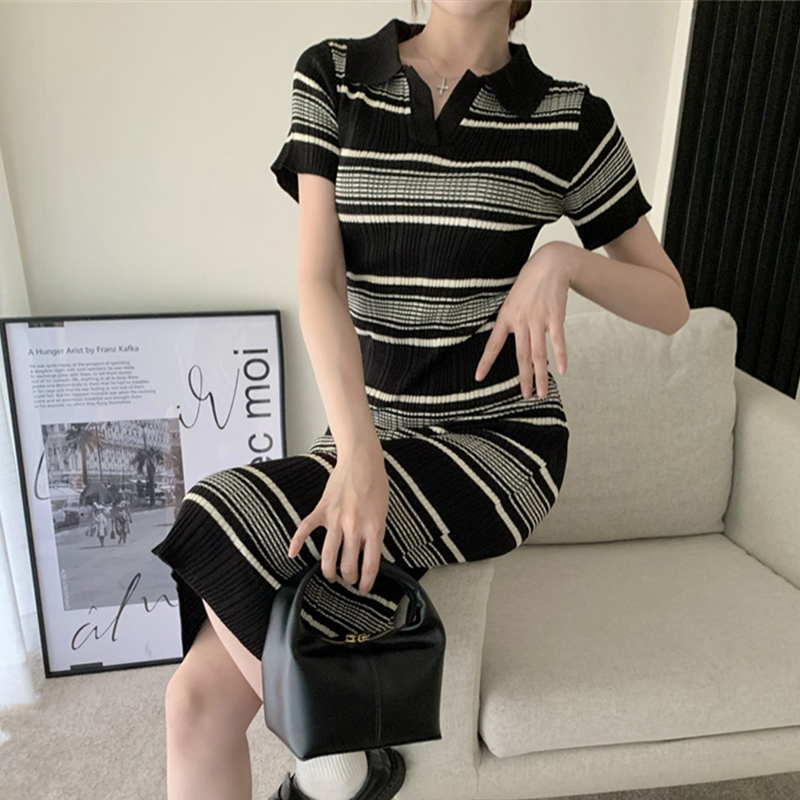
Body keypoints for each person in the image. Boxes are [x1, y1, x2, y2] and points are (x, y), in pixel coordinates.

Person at [151, 2, 688, 799]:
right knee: (192, 703)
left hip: (497, 443)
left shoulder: (570, 118)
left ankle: (341, 753)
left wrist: (564, 261)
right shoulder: (335, 74)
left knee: (212, 509)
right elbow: (318, 279)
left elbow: (670, 302)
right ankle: (350, 750)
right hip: (368, 433)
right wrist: (357, 453)